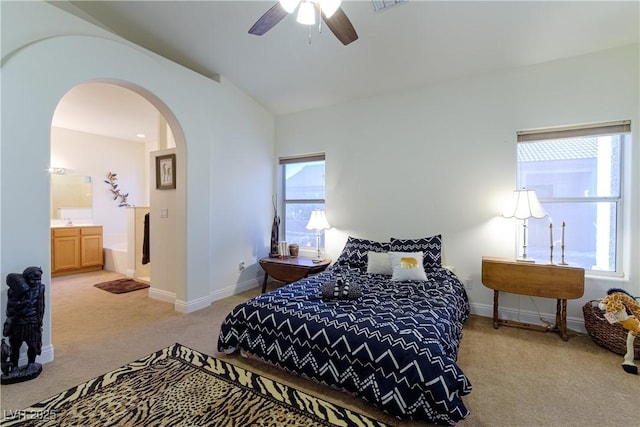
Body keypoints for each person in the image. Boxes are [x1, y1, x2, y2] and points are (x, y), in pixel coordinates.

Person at [3, 266, 45, 375]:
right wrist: (23, 304)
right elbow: (10, 308)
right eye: (33, 278)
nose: (36, 281)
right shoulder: (14, 291)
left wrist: (39, 321)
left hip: (33, 323)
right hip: (18, 323)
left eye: (38, 279)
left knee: (33, 345)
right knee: (15, 346)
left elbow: (41, 306)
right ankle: (14, 366)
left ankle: (31, 363)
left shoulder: (41, 288)